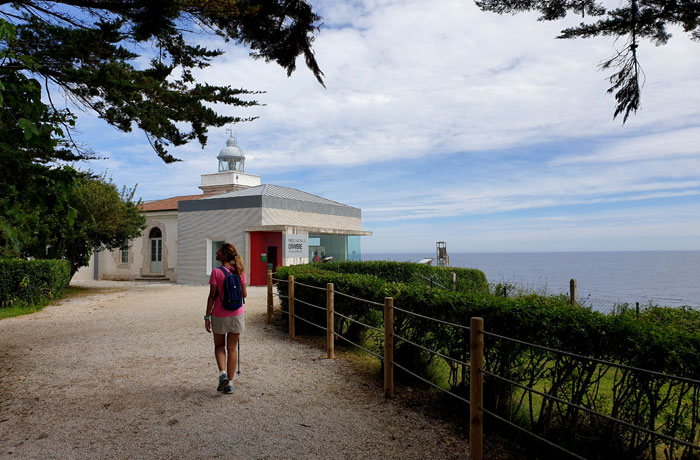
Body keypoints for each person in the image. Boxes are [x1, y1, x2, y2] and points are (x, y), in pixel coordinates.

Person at [204, 243, 247, 394]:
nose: (216, 252)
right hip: (237, 314)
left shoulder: (216, 272)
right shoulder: (240, 271)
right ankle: (230, 383)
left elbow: (212, 296)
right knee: (232, 348)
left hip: (220, 315)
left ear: (224, 255)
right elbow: (245, 295)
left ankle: (222, 374)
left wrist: (207, 316)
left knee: (219, 346)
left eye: (219, 251)